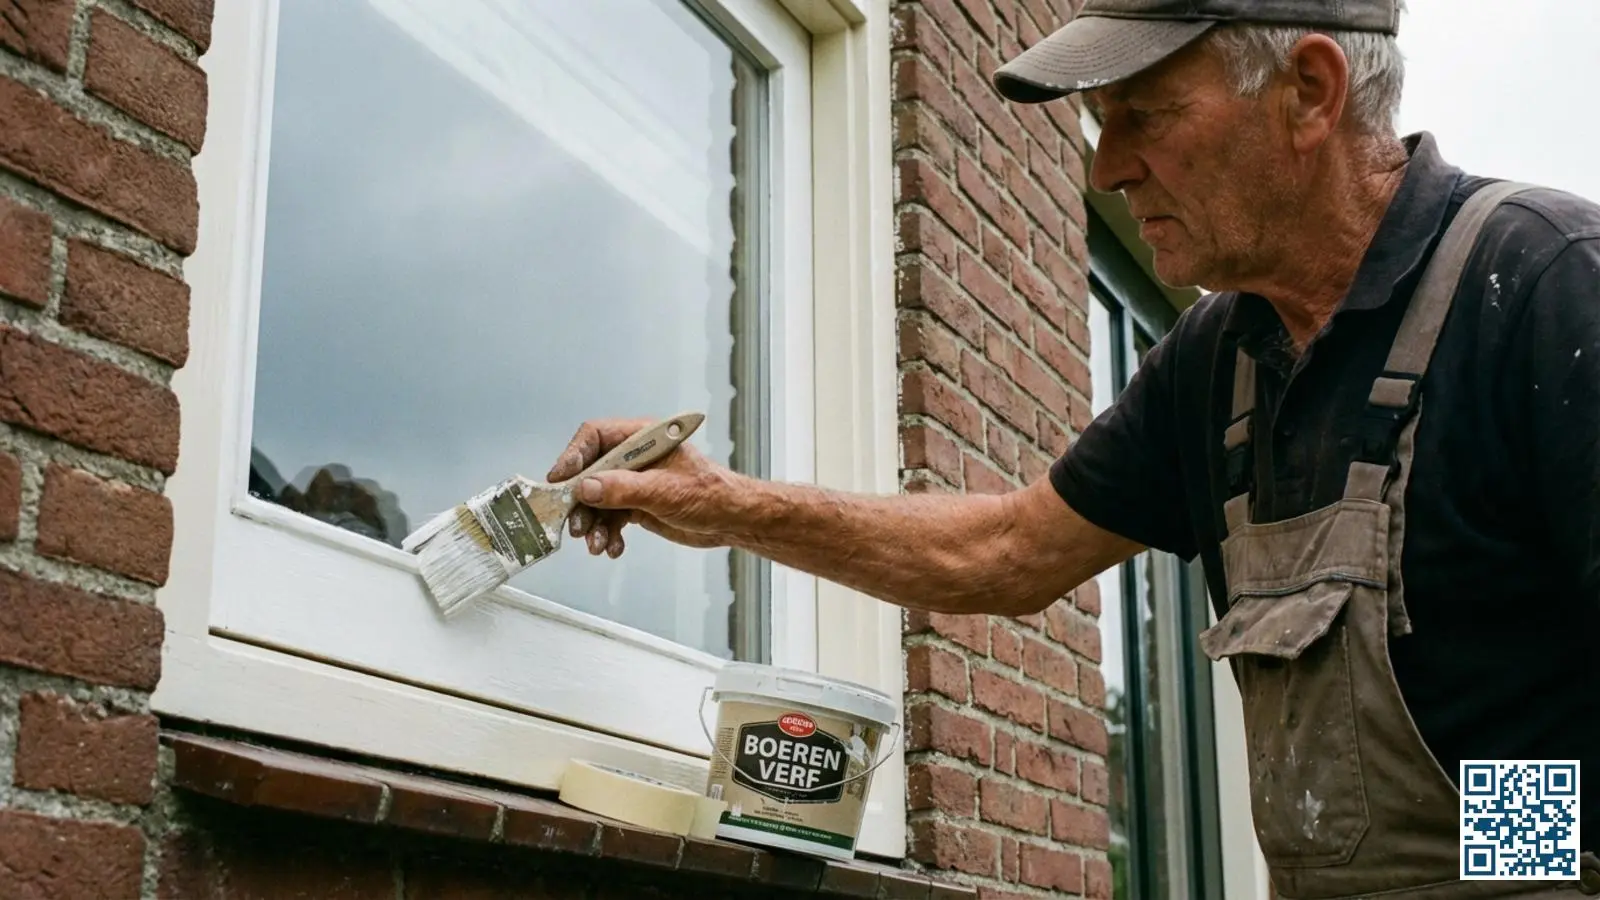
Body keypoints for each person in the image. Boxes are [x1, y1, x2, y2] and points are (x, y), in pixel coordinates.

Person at [546, 0, 1600, 896]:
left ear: (1310, 93)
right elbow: (1002, 552)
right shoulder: (1214, 359)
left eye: (1141, 114)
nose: (1106, 166)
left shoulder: (1547, 286)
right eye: (1097, 122)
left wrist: (1486, 855)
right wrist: (718, 500)